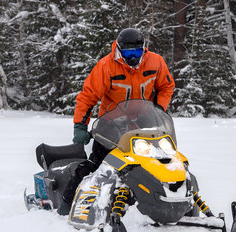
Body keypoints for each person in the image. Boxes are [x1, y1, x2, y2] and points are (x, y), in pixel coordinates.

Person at [57, 28, 175, 215]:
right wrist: (80, 125)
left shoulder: (155, 62)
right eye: (128, 53)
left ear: (144, 49)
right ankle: (67, 204)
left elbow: (166, 86)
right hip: (111, 125)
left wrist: (158, 110)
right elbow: (88, 96)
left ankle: (169, 203)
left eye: (137, 52)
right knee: (96, 166)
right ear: (119, 50)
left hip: (144, 124)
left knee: (160, 163)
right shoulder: (106, 66)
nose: (133, 57)